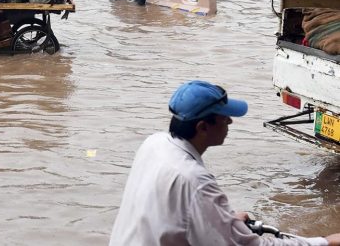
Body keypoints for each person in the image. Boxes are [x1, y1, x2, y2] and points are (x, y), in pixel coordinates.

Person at [109, 80, 340, 246]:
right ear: (203, 127)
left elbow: (171, 216)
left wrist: (224, 222)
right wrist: (324, 241)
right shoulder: (194, 179)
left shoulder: (154, 143)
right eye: (224, 117)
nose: (230, 121)